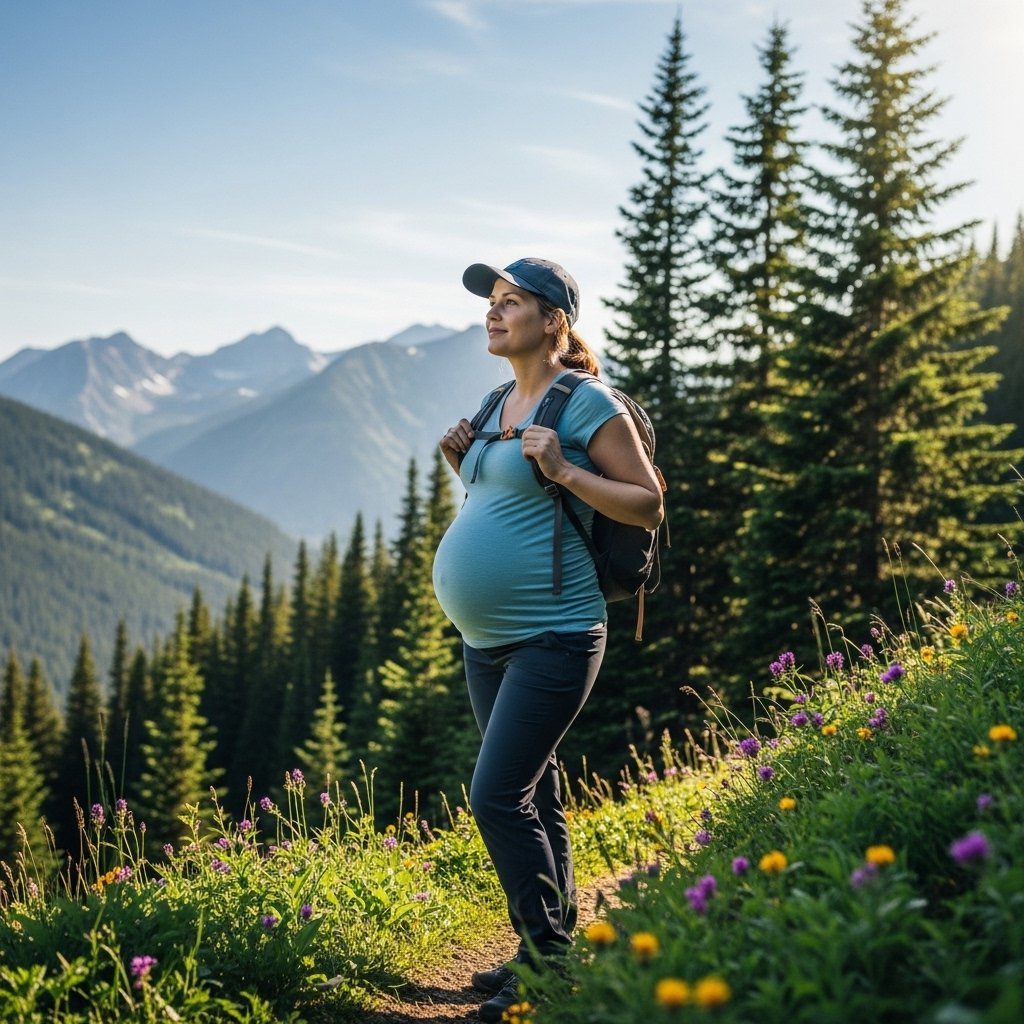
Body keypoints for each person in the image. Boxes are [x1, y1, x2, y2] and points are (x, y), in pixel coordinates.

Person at [433, 257, 664, 1021]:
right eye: (492, 303)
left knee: (497, 795)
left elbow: (646, 504)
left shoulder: (587, 402)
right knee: (538, 792)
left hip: (556, 634)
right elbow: (502, 501)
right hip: (487, 641)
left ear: (554, 321)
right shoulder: (500, 397)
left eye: (513, 303)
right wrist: (462, 459)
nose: (494, 314)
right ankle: (547, 947)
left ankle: (546, 970)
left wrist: (564, 469)